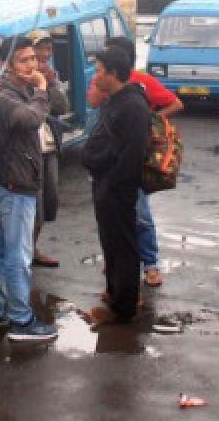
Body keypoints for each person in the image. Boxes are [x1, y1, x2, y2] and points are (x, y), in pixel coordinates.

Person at [88, 36, 183, 288]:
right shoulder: (108, 87)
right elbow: (93, 102)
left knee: (139, 218)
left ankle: (149, 265)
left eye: (101, 68)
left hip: (125, 175)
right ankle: (116, 271)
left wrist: (153, 120)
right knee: (115, 229)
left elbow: (175, 103)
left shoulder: (139, 89)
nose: (97, 73)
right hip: (109, 174)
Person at [0, 35, 57, 342]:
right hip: (15, 185)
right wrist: (40, 89)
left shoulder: (15, 91)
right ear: (7, 65)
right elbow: (30, 119)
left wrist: (44, 87)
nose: (32, 65)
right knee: (18, 256)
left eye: (34, 59)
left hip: (9, 183)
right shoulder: (3, 96)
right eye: (23, 60)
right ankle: (20, 320)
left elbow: (56, 107)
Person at [81, 48, 150, 325]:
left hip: (117, 188)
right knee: (110, 243)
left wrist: (112, 182)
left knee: (123, 245)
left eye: (99, 70)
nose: (96, 76)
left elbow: (132, 155)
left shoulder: (133, 106)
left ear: (113, 74)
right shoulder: (116, 100)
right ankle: (114, 291)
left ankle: (124, 307)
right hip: (105, 184)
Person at [29, 29, 69, 269]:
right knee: (31, 203)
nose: (45, 54)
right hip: (29, 149)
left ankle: (32, 248)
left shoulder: (50, 76)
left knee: (48, 200)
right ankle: (23, 251)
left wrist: (51, 83)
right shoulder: (22, 80)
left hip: (49, 145)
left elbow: (62, 106)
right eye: (40, 48)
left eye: (48, 49)